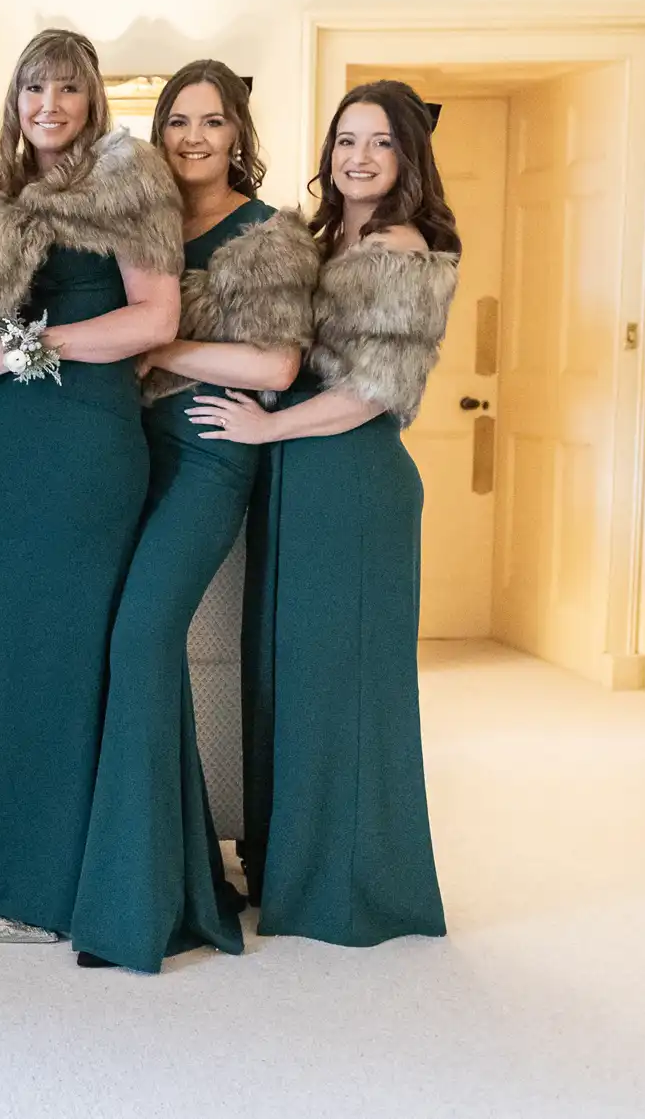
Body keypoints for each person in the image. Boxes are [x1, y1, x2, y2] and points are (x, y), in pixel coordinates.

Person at [195, 78, 460, 946]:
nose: (359, 156)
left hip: (351, 480)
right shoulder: (320, 235)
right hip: (300, 481)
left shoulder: (402, 248)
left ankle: (351, 894)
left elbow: (374, 391)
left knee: (342, 692)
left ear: (407, 157)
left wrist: (267, 424)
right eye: (347, 139)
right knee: (291, 684)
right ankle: (288, 871)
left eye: (380, 142)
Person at [67, 60, 317, 971]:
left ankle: (136, 905)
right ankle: (174, 877)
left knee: (140, 638)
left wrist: (158, 343)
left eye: (212, 121)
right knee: (139, 652)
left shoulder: (269, 236)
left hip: (211, 461)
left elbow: (277, 367)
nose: (192, 137)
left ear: (237, 131)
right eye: (177, 120)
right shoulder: (142, 220)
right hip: (137, 454)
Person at [0, 29, 183, 936]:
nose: (47, 106)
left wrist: (28, 347)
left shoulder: (130, 180)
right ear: (14, 102)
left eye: (65, 90)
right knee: (9, 645)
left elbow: (155, 317)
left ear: (92, 98)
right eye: (32, 90)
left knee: (73, 646)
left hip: (85, 438)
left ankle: (76, 876)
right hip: (3, 447)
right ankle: (11, 870)